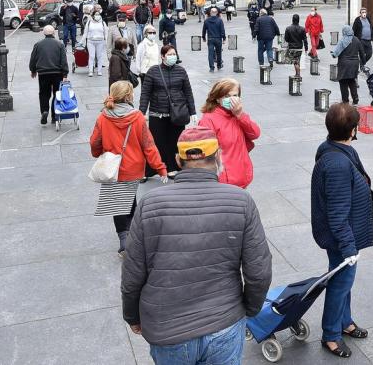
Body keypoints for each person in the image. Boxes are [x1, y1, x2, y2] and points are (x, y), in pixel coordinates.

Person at [121, 126, 272, 363]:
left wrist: (132, 316)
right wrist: (249, 310)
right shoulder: (241, 201)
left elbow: (132, 274)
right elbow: (259, 271)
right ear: (218, 157)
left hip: (167, 329)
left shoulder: (150, 203)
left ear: (178, 160)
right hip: (224, 322)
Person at [311, 103, 373, 358]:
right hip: (342, 237)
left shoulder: (335, 148)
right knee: (340, 283)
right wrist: (349, 248)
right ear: (352, 129)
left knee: (344, 282)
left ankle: (345, 322)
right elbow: (337, 214)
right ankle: (331, 335)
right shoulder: (337, 164)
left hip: (345, 233)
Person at [90, 81, 167, 255]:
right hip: (133, 167)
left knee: (119, 204)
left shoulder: (103, 116)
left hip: (112, 168)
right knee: (128, 198)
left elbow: (95, 141)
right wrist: (160, 167)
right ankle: (132, 236)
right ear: (128, 96)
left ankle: (125, 239)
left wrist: (97, 153)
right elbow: (149, 145)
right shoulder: (137, 117)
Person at [140, 45, 196, 179]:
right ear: (162, 56)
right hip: (157, 113)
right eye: (170, 54)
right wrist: (142, 112)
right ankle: (150, 170)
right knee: (156, 142)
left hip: (177, 113)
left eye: (174, 54)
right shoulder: (153, 71)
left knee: (174, 142)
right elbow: (145, 93)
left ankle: (172, 167)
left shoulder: (181, 71)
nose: (173, 56)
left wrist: (192, 111)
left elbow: (188, 92)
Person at [199, 79, 261, 189]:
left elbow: (255, 134)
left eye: (235, 95)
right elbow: (206, 153)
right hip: (224, 181)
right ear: (218, 98)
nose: (232, 99)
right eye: (227, 96)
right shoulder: (208, 119)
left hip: (241, 175)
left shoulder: (237, 115)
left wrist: (240, 115)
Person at [29, 26, 68, 125]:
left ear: (44, 33)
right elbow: (63, 60)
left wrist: (33, 70)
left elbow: (33, 59)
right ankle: (54, 116)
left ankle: (44, 111)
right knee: (57, 94)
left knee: (43, 93)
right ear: (54, 33)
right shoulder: (60, 44)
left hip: (43, 73)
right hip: (57, 73)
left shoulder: (38, 44)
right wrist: (65, 73)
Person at [331, 24, 366, 105]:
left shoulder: (343, 40)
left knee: (343, 82)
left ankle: (345, 100)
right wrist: (363, 63)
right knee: (352, 81)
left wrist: (333, 53)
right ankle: (355, 99)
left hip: (344, 64)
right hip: (354, 64)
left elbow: (335, 54)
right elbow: (362, 53)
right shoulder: (356, 40)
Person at [83, 7, 109, 77]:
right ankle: (90, 71)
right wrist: (82, 42)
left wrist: (107, 42)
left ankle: (99, 71)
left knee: (99, 56)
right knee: (91, 56)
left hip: (100, 41)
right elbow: (85, 33)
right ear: (93, 15)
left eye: (98, 14)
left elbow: (106, 33)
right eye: (96, 14)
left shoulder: (103, 23)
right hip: (90, 41)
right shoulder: (89, 22)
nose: (97, 15)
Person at [202, 7, 227, 72]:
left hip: (210, 39)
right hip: (218, 39)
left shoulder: (206, 21)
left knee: (210, 54)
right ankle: (219, 65)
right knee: (219, 53)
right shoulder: (219, 20)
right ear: (216, 13)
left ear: (210, 13)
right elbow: (222, 30)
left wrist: (203, 37)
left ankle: (211, 68)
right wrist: (224, 38)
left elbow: (204, 30)